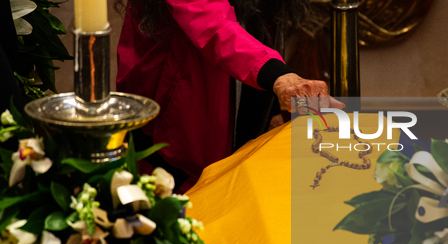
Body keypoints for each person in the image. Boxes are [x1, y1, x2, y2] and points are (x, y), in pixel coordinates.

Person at [116, 0, 343, 192]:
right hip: (175, 143)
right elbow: (212, 24)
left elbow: (259, 20)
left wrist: (273, 109)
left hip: (240, 120)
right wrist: (280, 78)